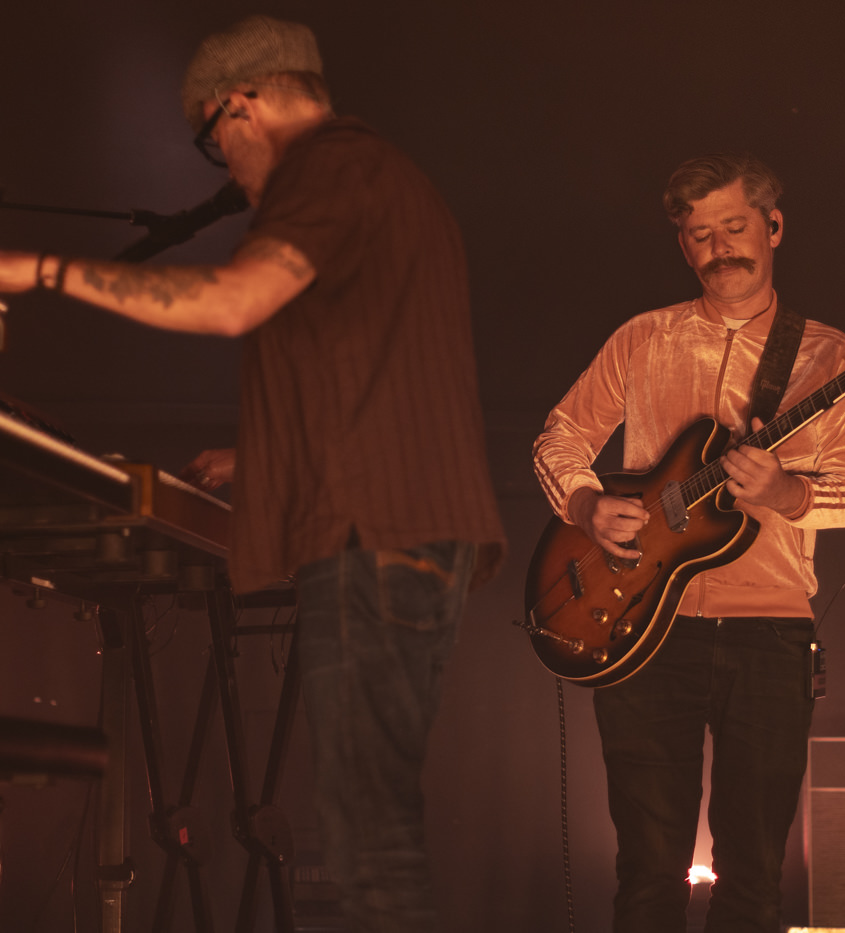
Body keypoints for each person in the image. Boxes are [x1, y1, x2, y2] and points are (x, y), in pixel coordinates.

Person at [0, 15, 504, 932]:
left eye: (213, 138)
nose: (224, 166)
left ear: (244, 101)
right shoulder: (380, 178)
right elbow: (374, 366)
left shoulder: (330, 164)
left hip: (378, 534)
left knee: (371, 840)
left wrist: (39, 269)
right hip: (406, 524)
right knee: (372, 827)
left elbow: (236, 301)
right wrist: (258, 456)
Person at [533, 153, 845, 933]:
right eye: (699, 235)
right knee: (646, 873)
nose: (719, 247)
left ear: (774, 226)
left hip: (771, 631)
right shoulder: (641, 338)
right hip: (642, 626)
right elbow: (559, 438)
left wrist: (787, 493)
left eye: (734, 227)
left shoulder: (824, 354)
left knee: (753, 878)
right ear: (683, 248)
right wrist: (588, 506)